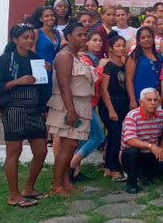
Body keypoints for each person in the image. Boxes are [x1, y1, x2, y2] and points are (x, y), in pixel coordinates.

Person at [0, 23, 49, 207]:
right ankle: (13, 195)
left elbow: (41, 86)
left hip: (34, 108)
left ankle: (29, 188)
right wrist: (18, 81)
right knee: (14, 152)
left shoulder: (36, 59)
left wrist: (44, 71)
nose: (29, 40)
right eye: (25, 37)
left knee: (41, 151)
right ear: (16, 39)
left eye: (31, 37)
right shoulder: (6, 58)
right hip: (14, 107)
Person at [46, 23, 97, 196]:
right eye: (79, 35)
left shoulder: (78, 56)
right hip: (68, 105)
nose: (84, 38)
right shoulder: (64, 56)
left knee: (72, 145)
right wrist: (71, 110)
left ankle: (66, 181)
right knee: (67, 146)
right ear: (68, 36)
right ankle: (56, 185)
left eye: (85, 35)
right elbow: (63, 84)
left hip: (80, 105)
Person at [120, 88, 163, 194]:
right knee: (132, 152)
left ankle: (145, 175)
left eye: (155, 100)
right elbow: (130, 140)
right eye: (149, 100)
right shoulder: (132, 116)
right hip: (134, 153)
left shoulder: (162, 115)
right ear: (141, 102)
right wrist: (151, 146)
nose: (153, 103)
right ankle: (131, 183)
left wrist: (161, 148)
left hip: (151, 153)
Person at [70, 31, 106, 183]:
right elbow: (89, 80)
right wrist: (101, 68)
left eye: (100, 40)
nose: (98, 43)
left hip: (90, 102)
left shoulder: (94, 59)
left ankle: (76, 171)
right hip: (84, 103)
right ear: (87, 43)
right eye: (94, 40)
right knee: (98, 136)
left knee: (84, 137)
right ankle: (70, 166)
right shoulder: (84, 59)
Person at [98, 34, 131, 181]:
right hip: (111, 103)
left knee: (117, 136)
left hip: (123, 102)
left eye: (123, 45)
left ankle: (108, 166)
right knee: (115, 135)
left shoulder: (125, 65)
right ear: (111, 48)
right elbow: (104, 89)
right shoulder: (109, 66)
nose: (121, 48)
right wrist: (110, 109)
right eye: (118, 45)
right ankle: (114, 169)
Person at [126, 26, 163, 105]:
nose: (146, 39)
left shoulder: (159, 57)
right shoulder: (134, 57)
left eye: (149, 37)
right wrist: (132, 100)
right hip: (140, 98)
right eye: (143, 38)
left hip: (156, 98)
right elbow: (129, 80)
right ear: (138, 41)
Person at [29, 6, 60, 95]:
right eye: (46, 16)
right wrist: (42, 63)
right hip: (42, 68)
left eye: (52, 15)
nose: (50, 18)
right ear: (41, 19)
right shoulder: (36, 32)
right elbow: (32, 52)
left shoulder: (56, 33)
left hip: (55, 68)